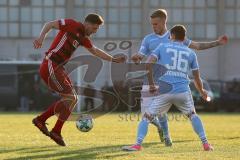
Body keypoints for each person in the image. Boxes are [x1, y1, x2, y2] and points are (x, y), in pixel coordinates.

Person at [129, 9, 228, 148]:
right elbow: (140, 55)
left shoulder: (170, 40)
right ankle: (201, 142)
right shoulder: (148, 39)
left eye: (156, 24)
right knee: (154, 113)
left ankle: (163, 137)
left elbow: (198, 46)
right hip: (163, 83)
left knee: (150, 115)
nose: (153, 27)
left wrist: (216, 42)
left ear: (164, 22)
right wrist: (136, 58)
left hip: (164, 84)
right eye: (152, 24)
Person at [32, 13, 126, 146]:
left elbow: (95, 51)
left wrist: (113, 59)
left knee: (72, 99)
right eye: (94, 28)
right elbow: (49, 24)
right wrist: (41, 38)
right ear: (88, 23)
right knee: (70, 98)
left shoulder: (83, 38)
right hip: (50, 64)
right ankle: (42, 121)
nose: (94, 31)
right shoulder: (72, 24)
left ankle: (55, 129)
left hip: (58, 68)